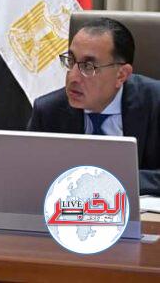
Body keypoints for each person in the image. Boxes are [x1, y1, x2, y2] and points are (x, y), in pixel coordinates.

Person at [28, 17, 160, 195]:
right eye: (71, 61)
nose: (73, 77)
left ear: (121, 75)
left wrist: (110, 180)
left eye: (88, 66)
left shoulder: (155, 103)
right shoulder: (48, 112)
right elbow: (31, 175)